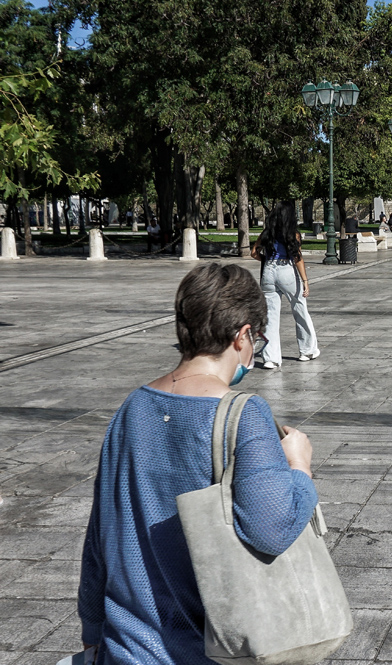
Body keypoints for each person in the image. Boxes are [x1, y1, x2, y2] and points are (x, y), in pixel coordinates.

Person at [77, 262, 318, 665]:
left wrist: (91, 627)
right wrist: (300, 466)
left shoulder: (132, 407)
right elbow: (272, 529)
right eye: (256, 338)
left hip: (126, 649)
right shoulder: (245, 414)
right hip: (204, 651)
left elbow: (100, 532)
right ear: (242, 335)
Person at [250, 203, 320, 368]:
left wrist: (266, 261)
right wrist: (305, 281)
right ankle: (307, 350)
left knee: (271, 316)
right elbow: (298, 258)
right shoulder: (293, 234)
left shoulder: (267, 233)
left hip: (268, 272)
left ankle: (271, 358)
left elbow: (254, 253)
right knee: (300, 309)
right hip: (285, 270)